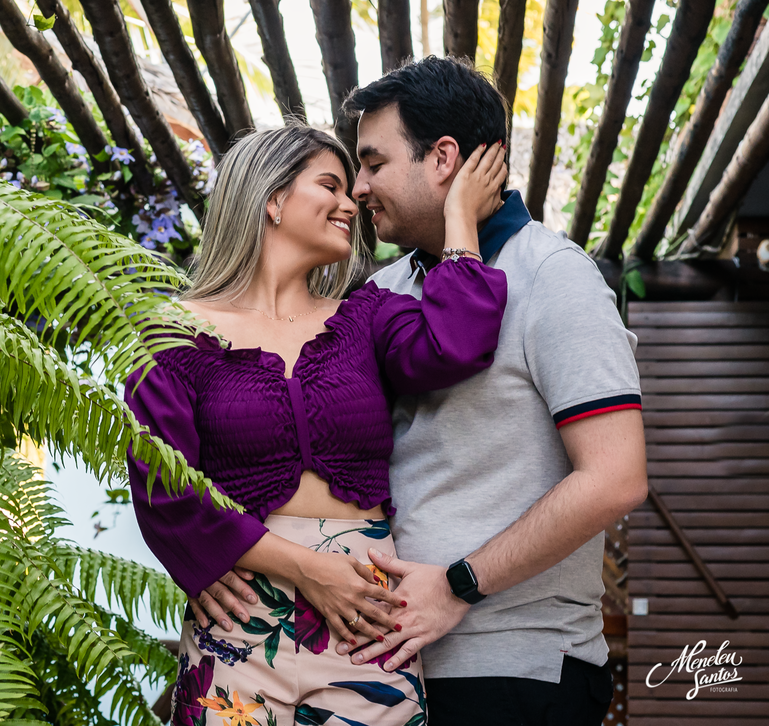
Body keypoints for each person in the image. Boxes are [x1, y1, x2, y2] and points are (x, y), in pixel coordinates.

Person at [199, 57, 648, 726]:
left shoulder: (553, 276)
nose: (359, 188)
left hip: (507, 667)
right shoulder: (381, 294)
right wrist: (217, 550)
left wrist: (459, 585)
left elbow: (615, 479)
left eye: (374, 163)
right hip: (374, 667)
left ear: (443, 158)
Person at [124, 125, 509, 725]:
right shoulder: (171, 333)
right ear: (272, 199)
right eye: (329, 184)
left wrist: (460, 219)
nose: (352, 202)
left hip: (367, 615)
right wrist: (309, 569)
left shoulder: (369, 316)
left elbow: (458, 343)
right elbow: (164, 487)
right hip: (241, 612)